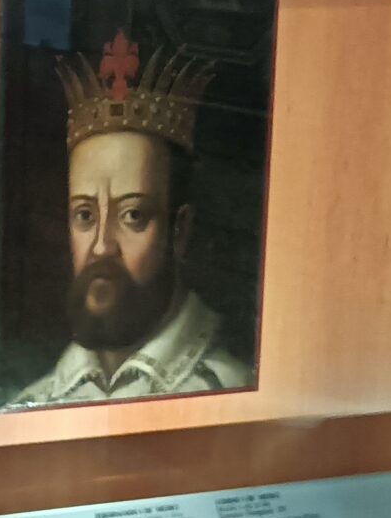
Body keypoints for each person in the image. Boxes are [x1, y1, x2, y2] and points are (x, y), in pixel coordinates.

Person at [13, 31, 251, 405]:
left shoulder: (228, 393)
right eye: (85, 215)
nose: (102, 246)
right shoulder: (35, 401)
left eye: (133, 215)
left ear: (179, 230)